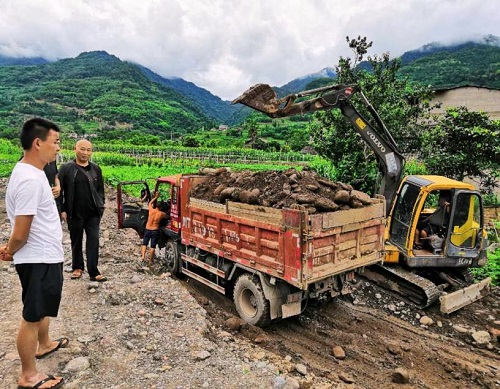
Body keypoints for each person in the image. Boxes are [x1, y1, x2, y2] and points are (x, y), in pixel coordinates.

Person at [0, 118, 67, 389]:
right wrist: (9, 249)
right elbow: (21, 230)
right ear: (38, 143)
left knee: (41, 310)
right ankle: (28, 375)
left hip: (45, 254)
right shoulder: (28, 179)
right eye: (56, 142)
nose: (59, 148)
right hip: (37, 256)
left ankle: (45, 343)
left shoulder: (36, 171)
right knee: (32, 316)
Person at [58, 139, 107, 282]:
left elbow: (100, 190)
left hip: (93, 213)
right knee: (76, 240)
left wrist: (101, 204)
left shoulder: (96, 168)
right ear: (75, 149)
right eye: (82, 149)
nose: (85, 153)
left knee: (93, 241)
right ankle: (77, 267)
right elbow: (60, 191)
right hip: (74, 212)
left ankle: (94, 271)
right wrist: (62, 209)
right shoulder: (66, 168)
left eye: (88, 150)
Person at [141, 191, 168, 265]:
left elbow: (149, 203)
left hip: (147, 229)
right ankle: (150, 260)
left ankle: (143, 257)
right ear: (161, 207)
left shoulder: (151, 210)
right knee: (153, 246)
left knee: (144, 244)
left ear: (156, 206)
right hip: (155, 230)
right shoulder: (162, 214)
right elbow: (168, 217)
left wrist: (155, 197)